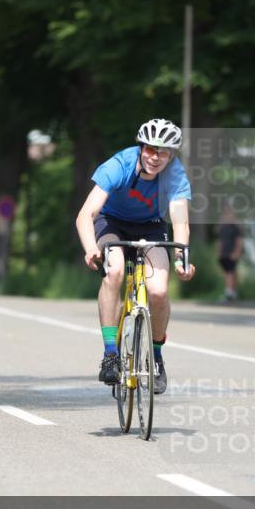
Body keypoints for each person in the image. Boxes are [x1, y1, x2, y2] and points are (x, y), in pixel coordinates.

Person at [75, 118, 195, 393]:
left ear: (171, 155)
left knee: (159, 291)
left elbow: (180, 222)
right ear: (141, 147)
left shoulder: (175, 174)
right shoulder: (120, 165)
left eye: (163, 152)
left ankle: (156, 356)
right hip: (111, 222)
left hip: (150, 225)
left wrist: (181, 259)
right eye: (150, 149)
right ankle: (110, 355)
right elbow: (86, 214)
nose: (155, 157)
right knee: (115, 271)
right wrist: (91, 248)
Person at [216, 206, 244, 302]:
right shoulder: (222, 228)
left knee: (230, 272)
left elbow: (239, 241)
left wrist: (237, 252)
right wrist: (219, 252)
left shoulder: (235, 227)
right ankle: (231, 292)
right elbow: (220, 241)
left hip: (232, 253)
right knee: (229, 272)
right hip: (224, 253)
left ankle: (230, 293)